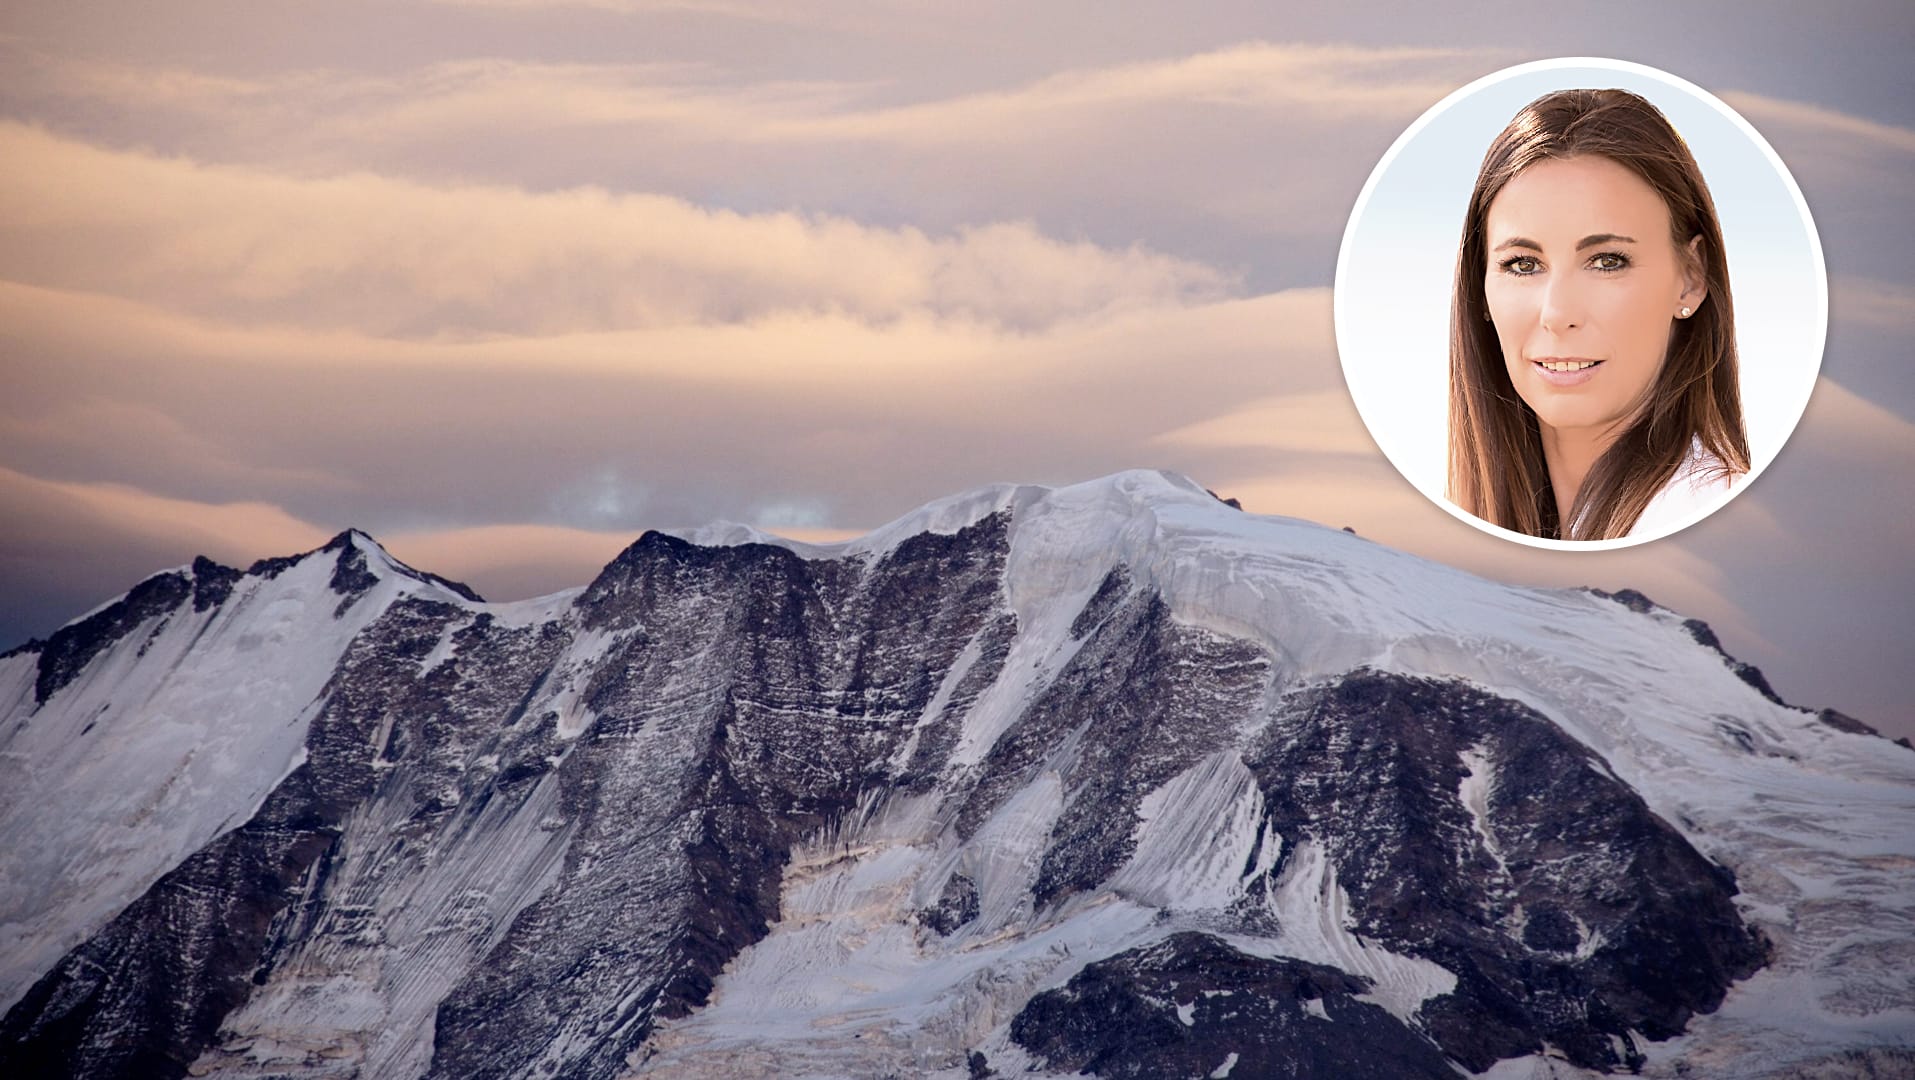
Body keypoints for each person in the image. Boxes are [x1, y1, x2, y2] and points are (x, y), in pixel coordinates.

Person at [1447, 88, 1749, 541]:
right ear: (1480, 290)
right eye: (1523, 265)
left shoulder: (1714, 522)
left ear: (1691, 277)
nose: (1557, 313)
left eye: (1607, 261)